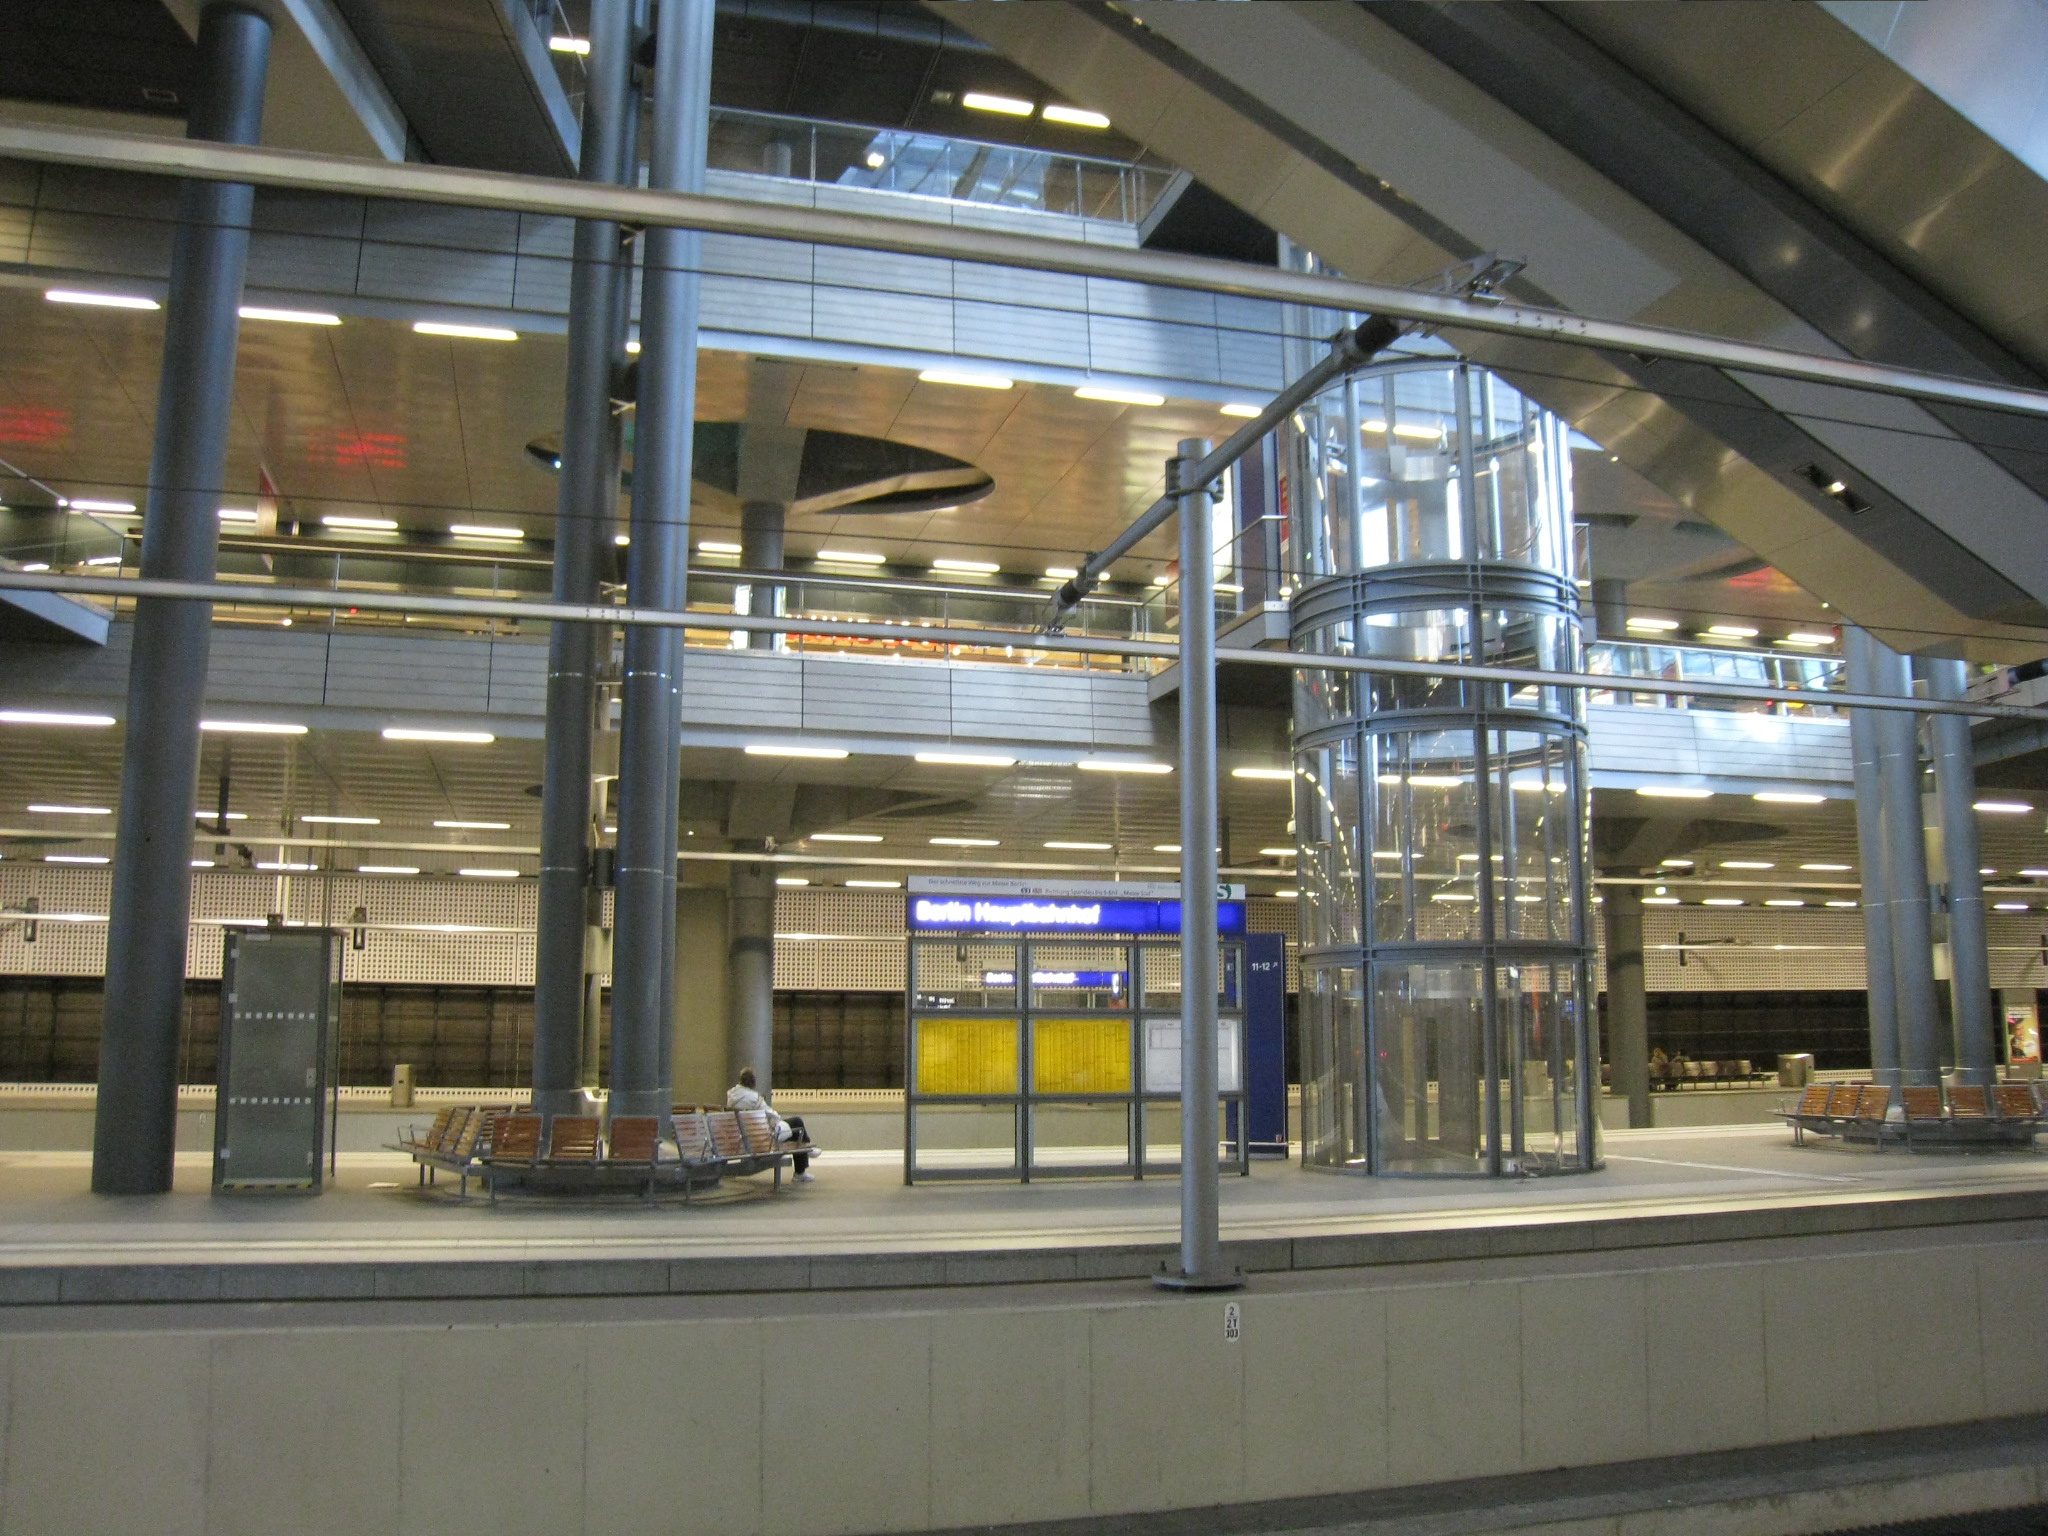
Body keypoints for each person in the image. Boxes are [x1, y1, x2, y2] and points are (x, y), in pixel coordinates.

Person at [727, 1067, 815, 1181]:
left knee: (794, 1127)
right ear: (753, 1082)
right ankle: (801, 1169)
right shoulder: (754, 1098)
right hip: (761, 1138)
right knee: (797, 1124)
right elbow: (773, 1115)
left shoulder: (731, 1095)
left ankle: (806, 1150)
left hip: (743, 1137)